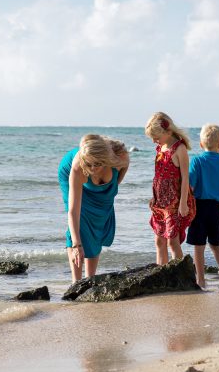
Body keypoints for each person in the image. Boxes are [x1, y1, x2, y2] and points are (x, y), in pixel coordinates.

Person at [58, 134, 130, 282]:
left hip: (105, 175)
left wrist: (112, 186)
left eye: (97, 164)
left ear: (106, 160)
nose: (92, 168)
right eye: (89, 164)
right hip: (68, 173)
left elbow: (124, 167)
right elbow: (73, 211)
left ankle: (90, 279)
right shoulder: (78, 168)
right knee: (81, 219)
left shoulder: (118, 158)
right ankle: (76, 282)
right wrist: (77, 245)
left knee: (99, 218)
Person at [186, 123, 219, 289]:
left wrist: (183, 205)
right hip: (217, 209)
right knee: (215, 244)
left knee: (199, 246)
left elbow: (190, 187)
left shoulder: (197, 161)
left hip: (199, 207)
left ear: (201, 144)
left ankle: (200, 279)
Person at [145, 112, 196, 265]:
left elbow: (185, 177)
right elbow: (158, 176)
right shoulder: (160, 148)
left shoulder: (179, 149)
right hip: (160, 201)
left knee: (172, 242)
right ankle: (161, 273)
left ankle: (180, 274)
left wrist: (183, 203)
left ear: (168, 131)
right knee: (159, 241)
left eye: (156, 137)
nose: (154, 141)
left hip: (175, 202)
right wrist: (154, 197)